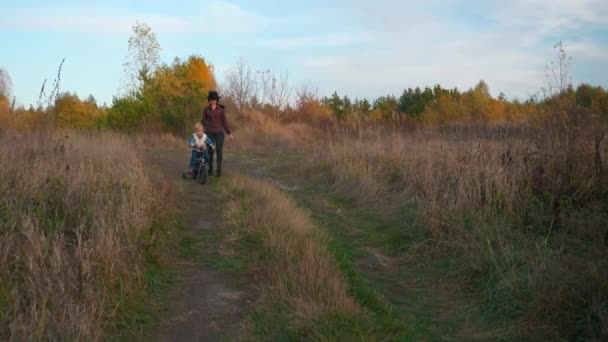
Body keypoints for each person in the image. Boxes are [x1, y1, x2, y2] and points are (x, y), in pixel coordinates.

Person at [202, 90, 233, 177]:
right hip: (209, 132)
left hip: (219, 132)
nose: (213, 101)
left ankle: (219, 170)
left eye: (214, 99)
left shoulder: (221, 109)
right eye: (211, 100)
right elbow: (203, 122)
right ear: (209, 100)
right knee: (210, 150)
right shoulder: (206, 110)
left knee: (219, 150)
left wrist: (229, 133)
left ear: (217, 100)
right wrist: (200, 132)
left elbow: (224, 121)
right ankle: (210, 169)